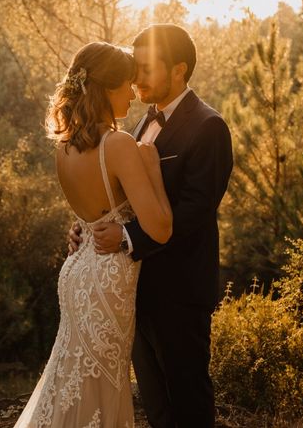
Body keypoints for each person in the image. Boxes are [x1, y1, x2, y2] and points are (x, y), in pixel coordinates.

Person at [69, 24, 234, 428]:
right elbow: (124, 197)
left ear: (179, 70)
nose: (136, 77)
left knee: (188, 399)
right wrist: (90, 226)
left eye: (146, 68)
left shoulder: (209, 127)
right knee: (157, 406)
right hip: (135, 286)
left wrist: (127, 238)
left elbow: (195, 211)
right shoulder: (142, 123)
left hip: (179, 291)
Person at [14, 42, 173, 427]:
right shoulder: (119, 145)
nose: (133, 95)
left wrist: (81, 229)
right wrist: (152, 170)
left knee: (72, 376)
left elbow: (88, 215)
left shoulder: (64, 147)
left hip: (76, 271)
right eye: (127, 86)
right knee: (101, 384)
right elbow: (161, 229)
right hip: (107, 278)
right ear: (106, 89)